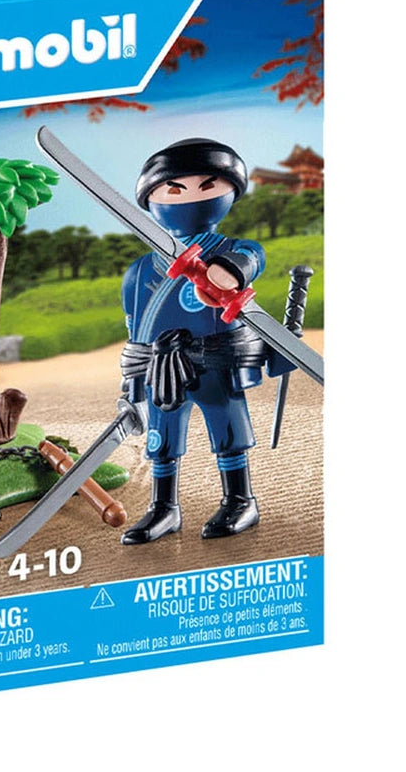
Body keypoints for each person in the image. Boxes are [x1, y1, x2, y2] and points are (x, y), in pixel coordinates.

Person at [119, 138, 266, 542]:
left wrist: (229, 270)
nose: (191, 195)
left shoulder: (232, 249)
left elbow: (251, 259)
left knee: (226, 425)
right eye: (175, 188)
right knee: (161, 435)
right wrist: (132, 386)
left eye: (207, 185)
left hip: (214, 357)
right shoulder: (139, 271)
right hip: (158, 363)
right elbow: (136, 330)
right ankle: (163, 508)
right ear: (152, 198)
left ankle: (240, 500)